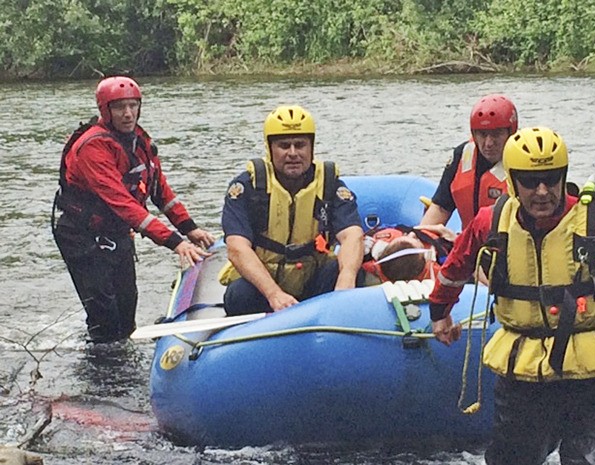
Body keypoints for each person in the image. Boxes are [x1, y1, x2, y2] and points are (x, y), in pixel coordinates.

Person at [428, 127, 595, 464]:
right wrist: (440, 311)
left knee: (592, 458)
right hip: (524, 369)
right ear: (514, 182)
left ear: (563, 177)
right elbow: (455, 267)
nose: (542, 191)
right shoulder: (491, 221)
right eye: (531, 182)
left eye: (551, 179)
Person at [52, 76, 215, 344]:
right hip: (80, 235)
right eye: (119, 108)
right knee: (104, 315)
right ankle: (102, 375)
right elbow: (123, 204)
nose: (128, 114)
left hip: (115, 233)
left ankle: (121, 364)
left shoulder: (139, 141)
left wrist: (190, 228)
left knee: (127, 310)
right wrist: (176, 243)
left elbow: (159, 189)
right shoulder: (93, 147)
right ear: (105, 110)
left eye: (133, 106)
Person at [219, 105, 364, 316]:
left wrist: (347, 279)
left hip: (313, 281)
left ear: (311, 148)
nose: (293, 153)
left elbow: (352, 235)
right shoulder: (247, 188)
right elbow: (236, 247)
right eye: (284, 146)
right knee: (239, 294)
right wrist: (274, 294)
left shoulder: (330, 185)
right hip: (264, 288)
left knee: (350, 272)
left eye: (300, 145)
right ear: (270, 149)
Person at [420, 94, 518, 229]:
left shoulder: (523, 163)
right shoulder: (462, 155)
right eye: (482, 135)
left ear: (510, 133)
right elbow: (441, 207)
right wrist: (418, 238)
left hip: (505, 243)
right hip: (466, 244)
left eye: (496, 134)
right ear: (474, 134)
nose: (489, 143)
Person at [362, 224, 455, 284]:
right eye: (416, 240)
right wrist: (454, 240)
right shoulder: (436, 271)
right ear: (426, 260)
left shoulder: (368, 259)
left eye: (405, 235)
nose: (412, 234)